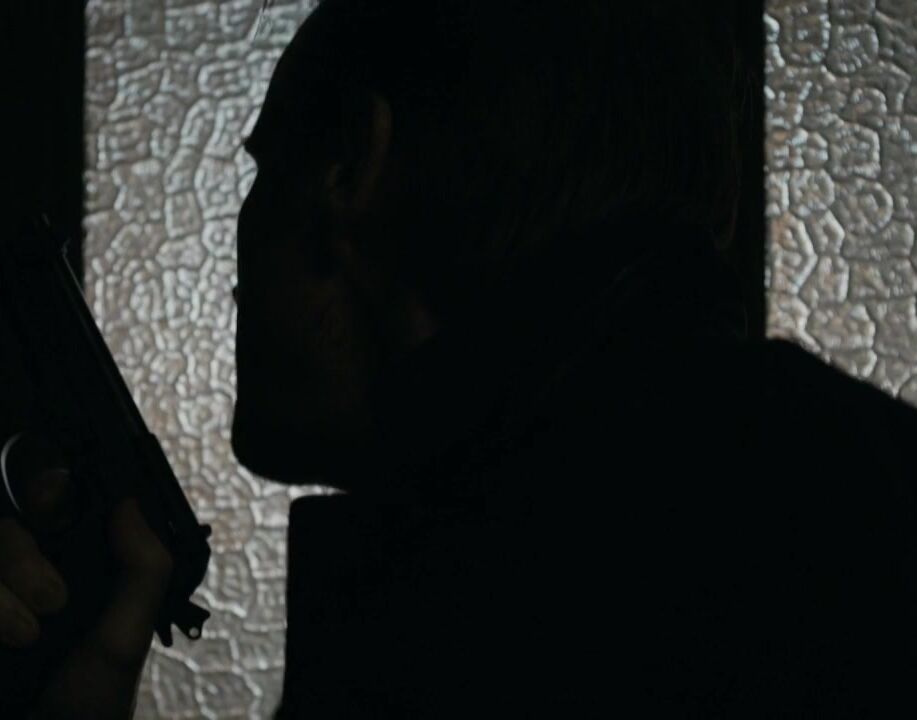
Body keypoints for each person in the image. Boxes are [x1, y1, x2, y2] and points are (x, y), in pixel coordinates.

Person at [3, 0, 917, 716]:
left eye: (261, 169)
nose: (237, 263)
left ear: (351, 165)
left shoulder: (480, 599)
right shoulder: (836, 497)